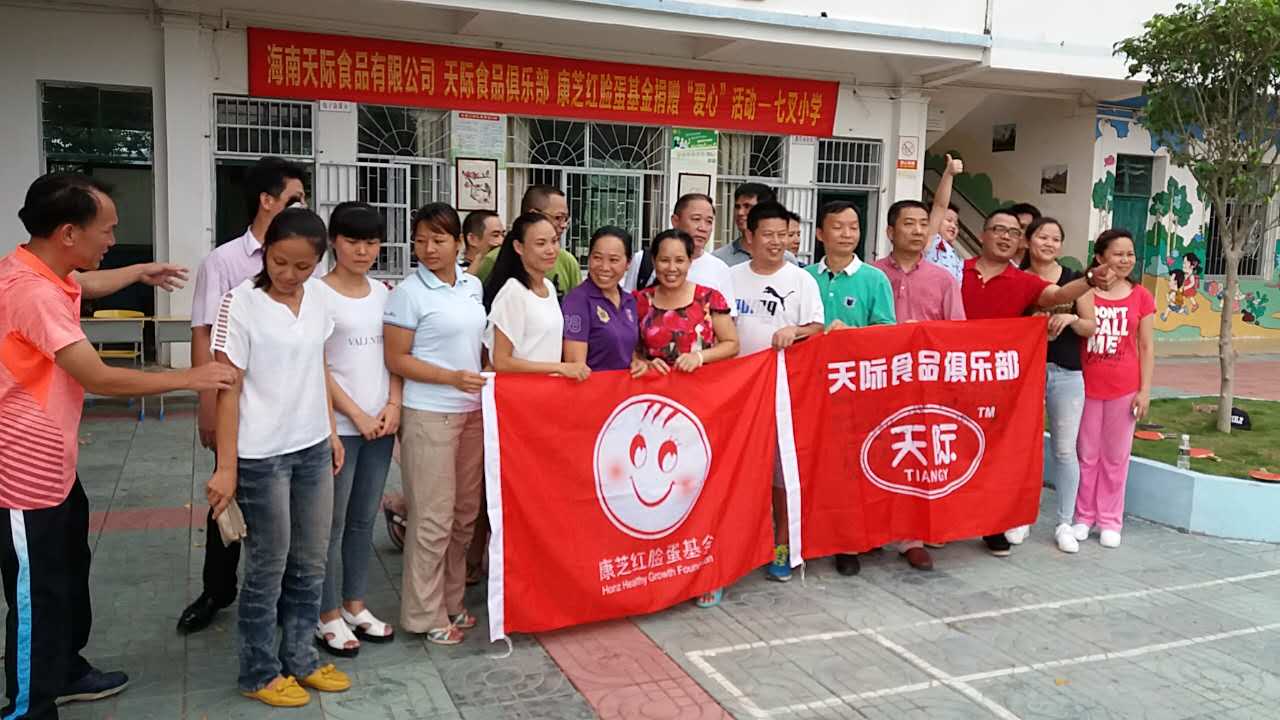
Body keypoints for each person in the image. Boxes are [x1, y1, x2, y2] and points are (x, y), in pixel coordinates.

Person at [0, 173, 235, 719]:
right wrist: (190, 378)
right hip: (22, 475)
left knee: (69, 572)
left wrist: (139, 271)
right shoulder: (31, 293)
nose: (112, 240)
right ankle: (29, 707)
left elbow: (88, 284)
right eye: (106, 230)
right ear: (68, 233)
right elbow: (99, 377)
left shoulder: (44, 270)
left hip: (55, 466)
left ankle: (66, 669)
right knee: (38, 595)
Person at [203, 206, 350, 708]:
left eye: (302, 266)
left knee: (310, 560)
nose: (289, 274)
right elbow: (228, 388)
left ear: (318, 262)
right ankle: (259, 670)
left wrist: (331, 432)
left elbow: (319, 365)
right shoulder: (240, 302)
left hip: (311, 447)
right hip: (260, 456)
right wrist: (227, 467)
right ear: (265, 253)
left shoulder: (320, 298)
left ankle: (301, 658)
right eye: (280, 262)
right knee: (268, 566)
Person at [179, 155, 308, 634]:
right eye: (294, 199)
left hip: (292, 406)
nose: (302, 207)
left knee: (289, 505)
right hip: (238, 404)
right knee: (226, 494)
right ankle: (217, 589)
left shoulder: (309, 260)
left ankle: (284, 592)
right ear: (266, 200)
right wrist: (207, 406)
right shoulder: (225, 261)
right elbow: (203, 332)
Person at [961, 210, 1112, 557]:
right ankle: (995, 517)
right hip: (990, 373)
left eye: (1011, 232)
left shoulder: (1030, 283)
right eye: (998, 229)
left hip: (1057, 372)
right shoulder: (958, 271)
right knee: (993, 446)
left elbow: (1061, 297)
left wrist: (1089, 279)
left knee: (1060, 450)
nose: (1005, 236)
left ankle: (1058, 521)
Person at [383, 203, 489, 645]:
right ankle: (424, 615)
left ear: (459, 243)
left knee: (464, 516)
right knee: (432, 518)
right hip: (429, 413)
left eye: (438, 239)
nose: (428, 248)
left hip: (472, 413)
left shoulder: (471, 285)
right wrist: (451, 378)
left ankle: (451, 600)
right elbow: (396, 359)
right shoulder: (408, 294)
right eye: (421, 240)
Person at [810, 201, 934, 573]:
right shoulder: (804, 277)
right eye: (838, 227)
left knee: (857, 466)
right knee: (822, 466)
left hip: (859, 389)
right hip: (813, 389)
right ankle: (823, 537)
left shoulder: (874, 279)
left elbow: (886, 332)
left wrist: (852, 335)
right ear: (820, 233)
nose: (847, 234)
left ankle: (852, 542)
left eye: (853, 227)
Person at [633, 229, 739, 607]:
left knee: (703, 491)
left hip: (704, 409)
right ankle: (667, 571)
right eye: (664, 260)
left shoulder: (710, 298)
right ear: (653, 261)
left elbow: (732, 344)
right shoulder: (639, 302)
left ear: (690, 261)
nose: (671, 267)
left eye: (679, 260)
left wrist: (700, 357)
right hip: (655, 416)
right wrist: (644, 364)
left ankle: (709, 573)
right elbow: (631, 352)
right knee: (664, 494)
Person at [313, 202, 401, 657]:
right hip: (341, 427)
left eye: (371, 242)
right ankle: (325, 613)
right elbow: (318, 366)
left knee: (363, 520)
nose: (363, 250)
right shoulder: (316, 294)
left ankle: (355, 605)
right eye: (352, 241)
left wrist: (392, 405)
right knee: (331, 523)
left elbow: (395, 355)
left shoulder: (384, 294)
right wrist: (355, 415)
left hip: (380, 426)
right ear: (334, 242)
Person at [732, 202, 824, 584]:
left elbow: (817, 327)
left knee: (782, 475)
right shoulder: (730, 277)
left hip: (784, 394)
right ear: (749, 236)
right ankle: (736, 550)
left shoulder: (801, 280)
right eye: (767, 234)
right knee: (738, 474)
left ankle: (782, 545)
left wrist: (795, 331)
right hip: (737, 394)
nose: (776, 242)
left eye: (782, 235)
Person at [1018, 218, 1097, 554]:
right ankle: (1019, 517)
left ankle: (1064, 522)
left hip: (1067, 373)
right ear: (1028, 241)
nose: (1049, 244)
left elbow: (1091, 326)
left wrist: (1073, 319)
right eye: (1042, 237)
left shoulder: (1075, 281)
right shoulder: (1016, 278)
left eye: (1055, 239)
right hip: (1025, 374)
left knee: (1064, 450)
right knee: (1024, 448)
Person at [1074, 229, 1154, 550]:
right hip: (1086, 385)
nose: (1125, 260)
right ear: (1100, 257)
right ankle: (1083, 516)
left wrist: (1145, 390)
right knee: (1086, 454)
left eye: (1130, 254)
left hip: (1124, 387)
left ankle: (1110, 519)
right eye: (1118, 254)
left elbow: (1146, 346)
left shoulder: (1141, 295)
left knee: (1116, 457)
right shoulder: (1084, 291)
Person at [484, 212, 590, 380]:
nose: (551, 250)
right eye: (541, 243)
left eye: (554, 241)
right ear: (519, 247)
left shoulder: (549, 287)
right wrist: (560, 367)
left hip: (547, 389)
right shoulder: (514, 291)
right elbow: (501, 361)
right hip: (521, 390)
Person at [626, 194, 738, 315]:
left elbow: (728, 320)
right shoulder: (643, 260)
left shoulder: (719, 269)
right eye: (696, 219)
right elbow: (625, 309)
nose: (703, 228)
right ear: (675, 221)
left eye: (709, 221)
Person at [474, 185, 581, 298]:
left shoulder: (567, 262)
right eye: (558, 217)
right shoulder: (493, 260)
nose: (563, 225)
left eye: (566, 219)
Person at [873, 200, 966, 325]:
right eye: (909, 224)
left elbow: (956, 330)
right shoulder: (871, 275)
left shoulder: (945, 280)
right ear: (891, 232)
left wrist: (923, 331)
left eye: (924, 224)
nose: (918, 231)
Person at [562, 226, 639, 371]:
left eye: (613, 260)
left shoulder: (630, 301)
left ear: (628, 263)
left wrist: (638, 362)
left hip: (625, 385)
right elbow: (575, 367)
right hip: (594, 385)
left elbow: (629, 351)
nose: (604, 267)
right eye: (597, 258)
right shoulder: (578, 301)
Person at [714, 183, 795, 267]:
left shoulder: (787, 260)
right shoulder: (719, 259)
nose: (740, 212)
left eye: (747, 206)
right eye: (737, 207)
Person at [923, 153, 966, 283]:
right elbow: (940, 206)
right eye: (948, 220)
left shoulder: (957, 256)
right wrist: (949, 174)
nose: (953, 226)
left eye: (956, 224)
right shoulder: (930, 241)